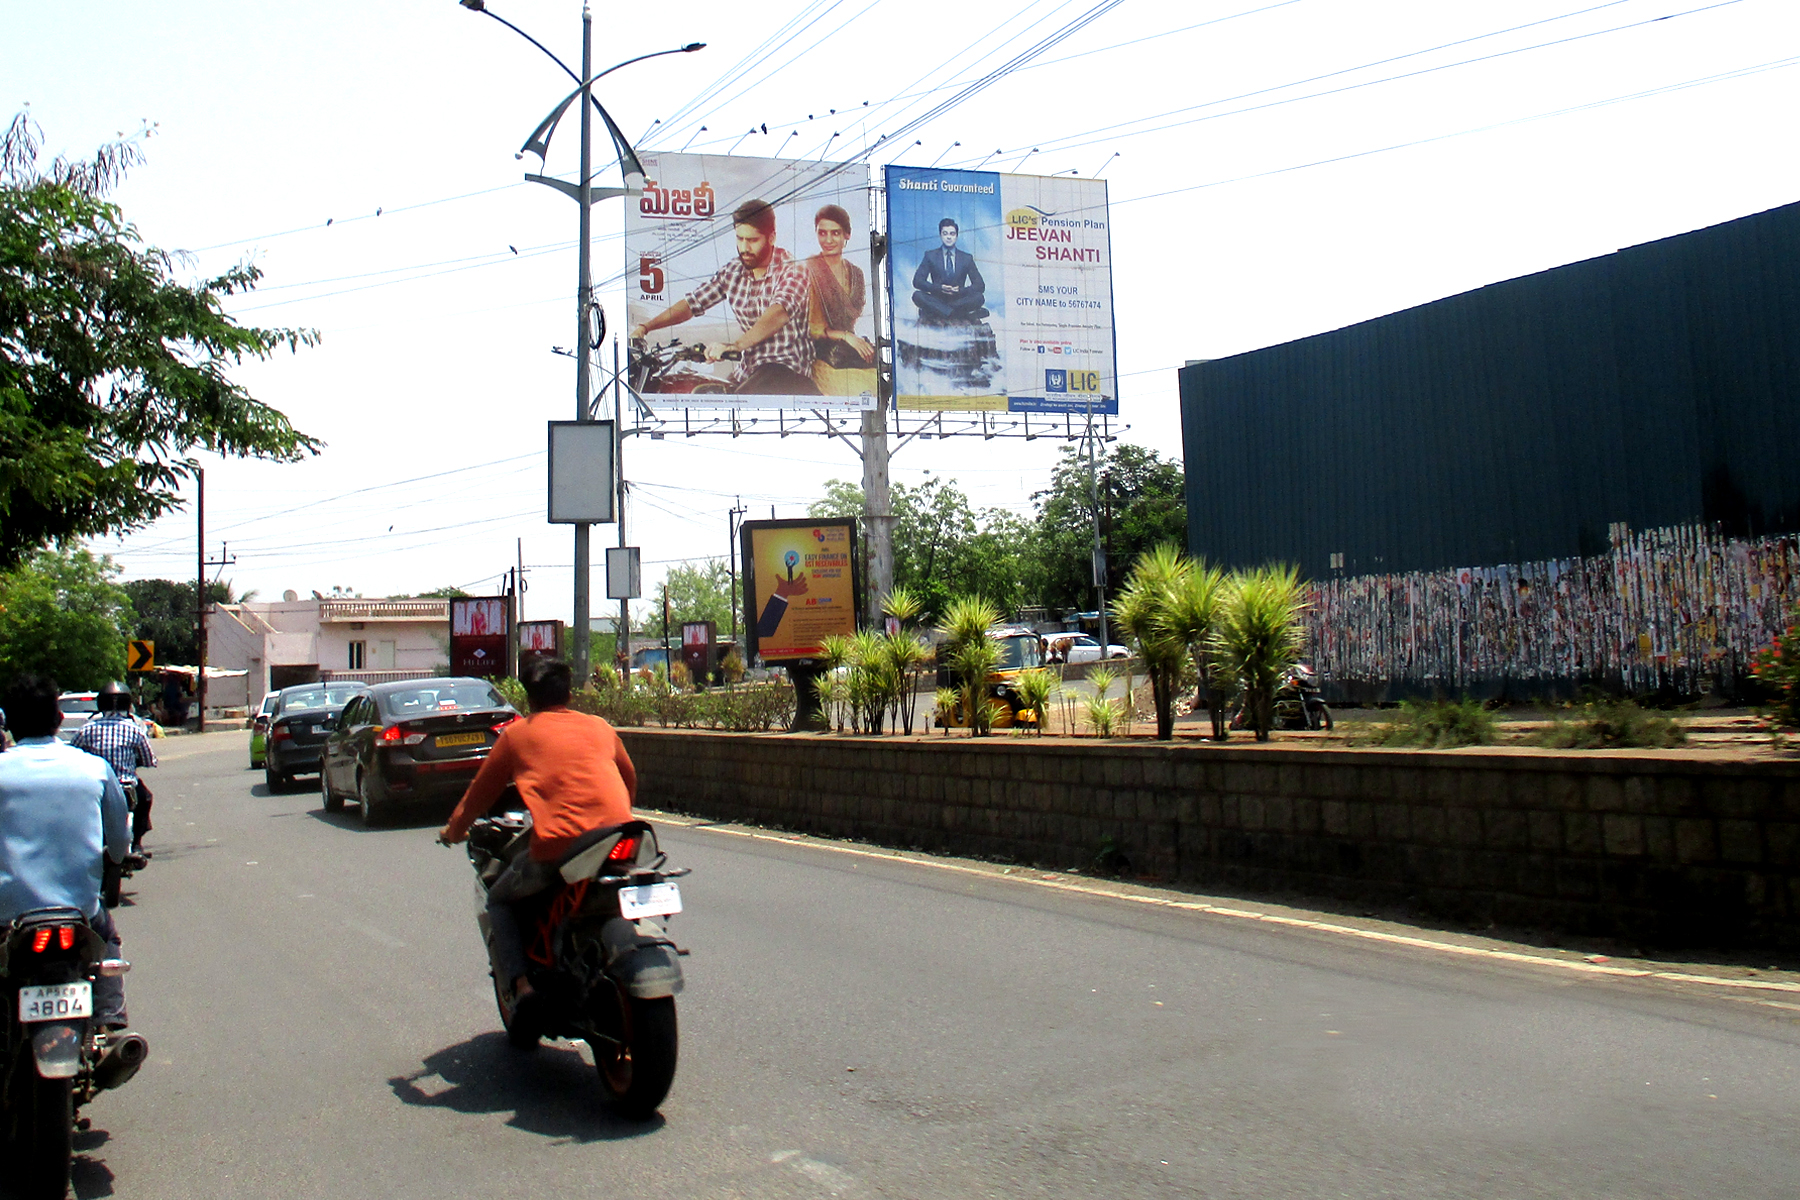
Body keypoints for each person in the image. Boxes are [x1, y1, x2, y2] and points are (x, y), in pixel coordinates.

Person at [437, 657, 637, 1022]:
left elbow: (478, 796)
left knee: (498, 899)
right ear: (570, 693)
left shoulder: (516, 735)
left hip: (559, 849)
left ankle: (522, 987)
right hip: (620, 837)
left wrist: (453, 830)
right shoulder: (600, 727)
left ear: (529, 698)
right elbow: (629, 778)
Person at [0, 673, 136, 1037]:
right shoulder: (93, 768)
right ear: (58, 718)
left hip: (8, 915)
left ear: (9, 723)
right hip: (80, 911)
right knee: (106, 938)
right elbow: (121, 840)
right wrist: (115, 859)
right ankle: (109, 1018)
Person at [629, 199, 821, 395]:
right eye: (740, 238)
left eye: (753, 240)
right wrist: (645, 328)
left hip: (786, 374)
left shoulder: (793, 269)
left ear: (771, 237)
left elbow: (779, 313)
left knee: (744, 393)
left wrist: (736, 345)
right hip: (748, 372)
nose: (744, 248)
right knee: (699, 390)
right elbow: (692, 303)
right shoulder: (733, 271)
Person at [70, 681, 157, 857]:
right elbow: (149, 760)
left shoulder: (87, 729)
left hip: (95, 784)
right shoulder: (134, 729)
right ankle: (137, 844)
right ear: (128, 703)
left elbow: (72, 756)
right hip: (126, 786)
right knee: (146, 798)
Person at [804, 204, 876, 395]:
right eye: (822, 233)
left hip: (850, 352)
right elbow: (812, 327)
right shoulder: (809, 269)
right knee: (862, 391)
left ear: (847, 235)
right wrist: (845, 336)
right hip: (820, 356)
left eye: (835, 233)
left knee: (881, 386)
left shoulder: (856, 273)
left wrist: (853, 340)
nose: (828, 240)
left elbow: (855, 315)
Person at [912, 217, 987, 324]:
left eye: (952, 234)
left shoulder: (966, 258)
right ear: (940, 235)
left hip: (959, 300)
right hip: (937, 299)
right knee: (917, 295)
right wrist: (938, 288)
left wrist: (961, 290)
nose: (948, 237)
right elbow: (917, 281)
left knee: (979, 298)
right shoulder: (930, 256)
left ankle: (943, 312)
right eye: (945, 233)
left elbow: (980, 285)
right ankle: (956, 313)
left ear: (956, 236)